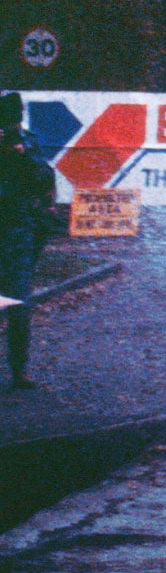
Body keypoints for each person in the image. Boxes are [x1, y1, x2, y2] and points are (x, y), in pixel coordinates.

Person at [0, 93, 58, 391]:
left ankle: (19, 369)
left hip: (18, 231)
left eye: (14, 113)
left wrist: (23, 156)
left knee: (19, 302)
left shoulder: (29, 143)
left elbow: (45, 177)